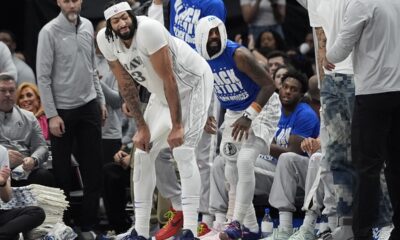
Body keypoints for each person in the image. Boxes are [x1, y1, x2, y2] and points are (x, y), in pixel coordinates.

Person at [96, 1, 214, 238]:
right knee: (142, 153)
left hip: (192, 85)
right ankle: (139, 231)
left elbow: (170, 79)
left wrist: (177, 125)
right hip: (161, 93)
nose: (123, 23)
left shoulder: (149, 30)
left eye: (126, 17)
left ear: (132, 16)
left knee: (183, 150)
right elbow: (125, 83)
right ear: (110, 25)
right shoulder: (104, 40)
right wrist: (141, 127)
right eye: (116, 20)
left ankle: (190, 228)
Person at [195, 15, 278, 239]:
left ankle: (237, 222)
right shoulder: (199, 58)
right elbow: (202, 88)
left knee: (244, 161)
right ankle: (250, 226)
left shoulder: (238, 55)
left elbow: (270, 84)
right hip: (234, 112)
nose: (214, 37)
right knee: (229, 164)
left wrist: (250, 115)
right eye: (210, 33)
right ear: (201, 37)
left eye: (217, 32)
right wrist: (204, 115)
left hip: (262, 107)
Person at [324, 0, 400, 238]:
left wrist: (328, 52)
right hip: (398, 91)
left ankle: (363, 232)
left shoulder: (361, 3)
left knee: (366, 167)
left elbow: (339, 51)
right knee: (397, 165)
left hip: (372, 93)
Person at [36, 0, 107, 238]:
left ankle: (89, 225)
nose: (72, 5)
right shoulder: (48, 32)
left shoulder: (87, 25)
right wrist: (52, 114)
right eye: (66, 0)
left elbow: (92, 67)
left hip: (88, 105)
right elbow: (43, 77)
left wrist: (100, 100)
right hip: (62, 111)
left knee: (93, 170)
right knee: (63, 173)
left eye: (75, 0)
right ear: (58, 2)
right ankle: (64, 226)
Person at [265, 70, 320, 240]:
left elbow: (293, 152)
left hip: (307, 170)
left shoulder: (305, 114)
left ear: (302, 94)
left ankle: (288, 227)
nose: (288, 91)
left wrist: (261, 146)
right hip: (277, 165)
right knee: (235, 160)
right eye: (285, 87)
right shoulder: (275, 109)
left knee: (286, 158)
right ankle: (236, 222)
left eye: (293, 89)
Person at [0, 75, 54, 188]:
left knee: (44, 176)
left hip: (24, 169)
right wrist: (3, 155)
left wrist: (33, 160)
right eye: (3, 90)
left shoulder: (29, 117)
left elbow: (42, 147)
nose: (8, 94)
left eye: (11, 90)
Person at [0, 145, 46, 240]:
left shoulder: (2, 151)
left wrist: (2, 183)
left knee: (37, 212)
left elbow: (6, 198)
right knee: (12, 235)